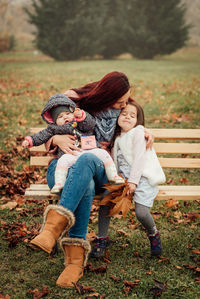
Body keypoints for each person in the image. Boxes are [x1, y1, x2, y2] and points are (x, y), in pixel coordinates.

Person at [29, 71, 154, 288]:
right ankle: (74, 264)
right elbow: (51, 125)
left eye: (125, 101)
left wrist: (145, 130)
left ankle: (52, 229)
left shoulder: (122, 109)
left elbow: (133, 121)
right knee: (84, 183)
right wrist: (55, 137)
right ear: (106, 95)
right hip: (61, 169)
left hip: (97, 167)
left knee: (87, 159)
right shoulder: (77, 102)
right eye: (119, 102)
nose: (122, 106)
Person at [90, 101, 166, 259]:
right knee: (106, 202)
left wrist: (133, 182)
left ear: (138, 120)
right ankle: (102, 239)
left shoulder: (138, 133)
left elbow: (139, 159)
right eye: (124, 114)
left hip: (143, 179)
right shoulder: (117, 136)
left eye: (132, 115)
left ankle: (153, 234)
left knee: (141, 213)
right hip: (122, 181)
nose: (127, 117)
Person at [22, 93, 124, 194]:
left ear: (72, 113)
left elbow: (90, 125)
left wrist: (82, 116)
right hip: (71, 154)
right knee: (62, 161)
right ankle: (59, 183)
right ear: (54, 121)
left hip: (90, 150)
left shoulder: (79, 122)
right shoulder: (53, 129)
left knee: (103, 154)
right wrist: (30, 140)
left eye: (67, 114)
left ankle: (113, 176)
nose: (65, 117)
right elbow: (41, 136)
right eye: (60, 117)